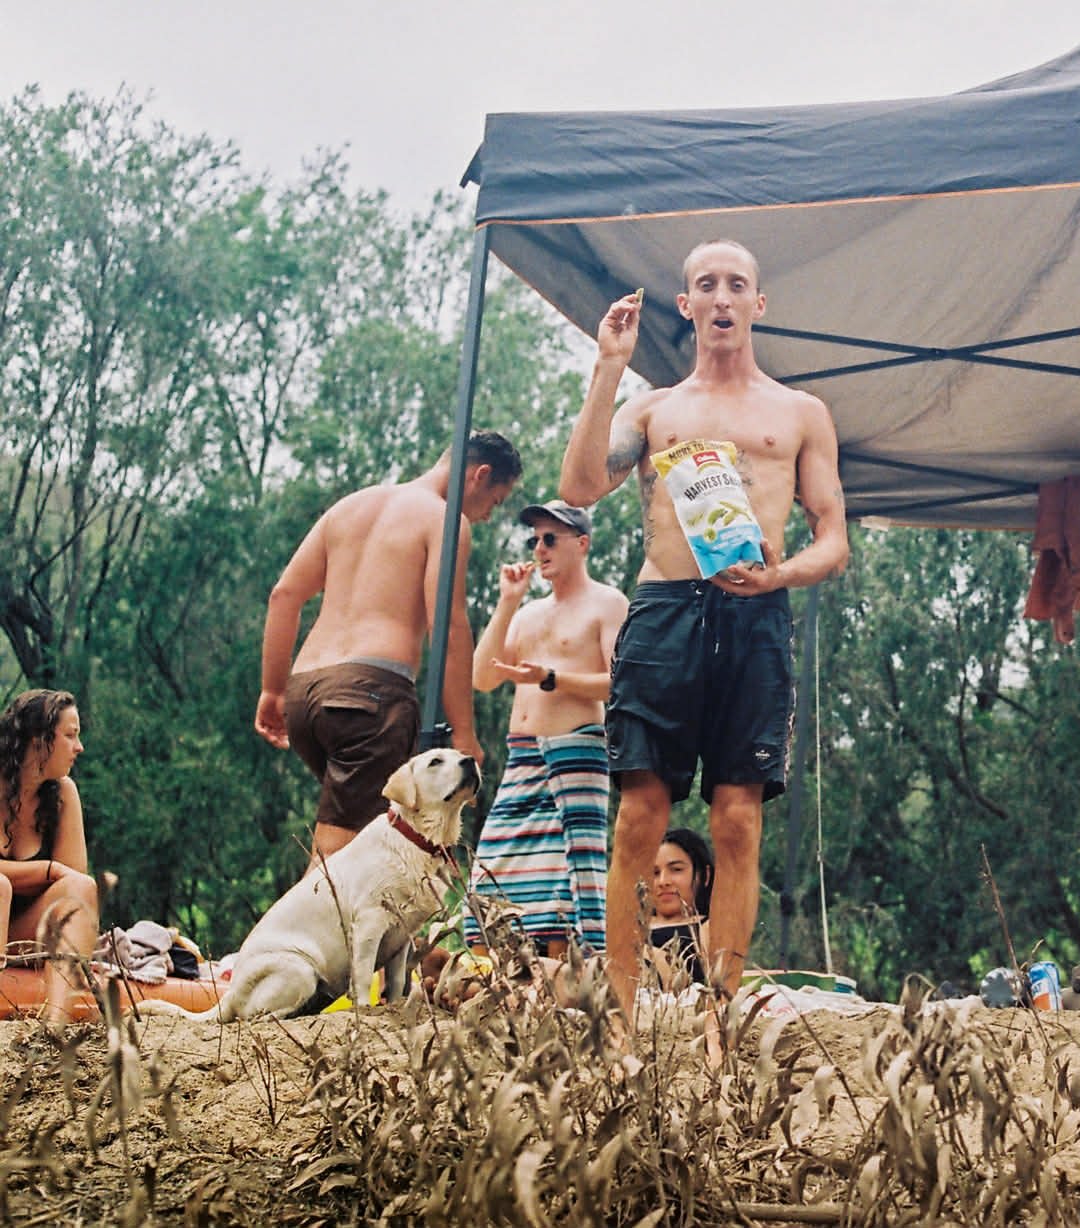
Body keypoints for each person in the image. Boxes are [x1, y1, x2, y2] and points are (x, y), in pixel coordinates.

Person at [559, 239, 849, 1028]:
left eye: (737, 285)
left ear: (759, 304)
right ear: (685, 306)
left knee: (736, 817)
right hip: (664, 613)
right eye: (704, 286)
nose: (721, 298)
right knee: (639, 815)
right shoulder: (654, 408)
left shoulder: (799, 412)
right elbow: (580, 486)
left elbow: (834, 537)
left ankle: (721, 1016)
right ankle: (616, 1017)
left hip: (755, 614)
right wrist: (608, 368)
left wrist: (780, 576)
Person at [256, 431, 522, 864]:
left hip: (306, 694)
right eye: (495, 501)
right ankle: (293, 933)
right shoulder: (443, 519)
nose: (489, 516)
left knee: (366, 846)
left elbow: (284, 595)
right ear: (480, 475)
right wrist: (465, 733)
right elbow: (449, 627)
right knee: (339, 864)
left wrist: (273, 691)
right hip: (368, 699)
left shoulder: (350, 507)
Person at [465, 500, 628, 957]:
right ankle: (496, 982)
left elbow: (623, 683)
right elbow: (483, 677)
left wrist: (552, 679)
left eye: (550, 538)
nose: (540, 548)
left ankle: (568, 991)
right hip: (523, 757)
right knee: (490, 876)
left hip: (575, 752)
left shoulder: (607, 602)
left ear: (582, 543)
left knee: (566, 882)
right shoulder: (527, 613)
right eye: (534, 539)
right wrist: (507, 601)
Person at [0, 689, 100, 1025]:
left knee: (81, 889)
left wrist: (52, 873)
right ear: (38, 740)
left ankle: (54, 1027)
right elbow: (55, 872)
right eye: (70, 736)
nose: (79, 747)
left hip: (22, 932)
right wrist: (47, 870)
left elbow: (72, 880)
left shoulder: (62, 793)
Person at [647, 828, 714, 989]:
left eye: (676, 869)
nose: (663, 881)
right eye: (654, 873)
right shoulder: (630, 926)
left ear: (704, 875)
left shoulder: (709, 928)